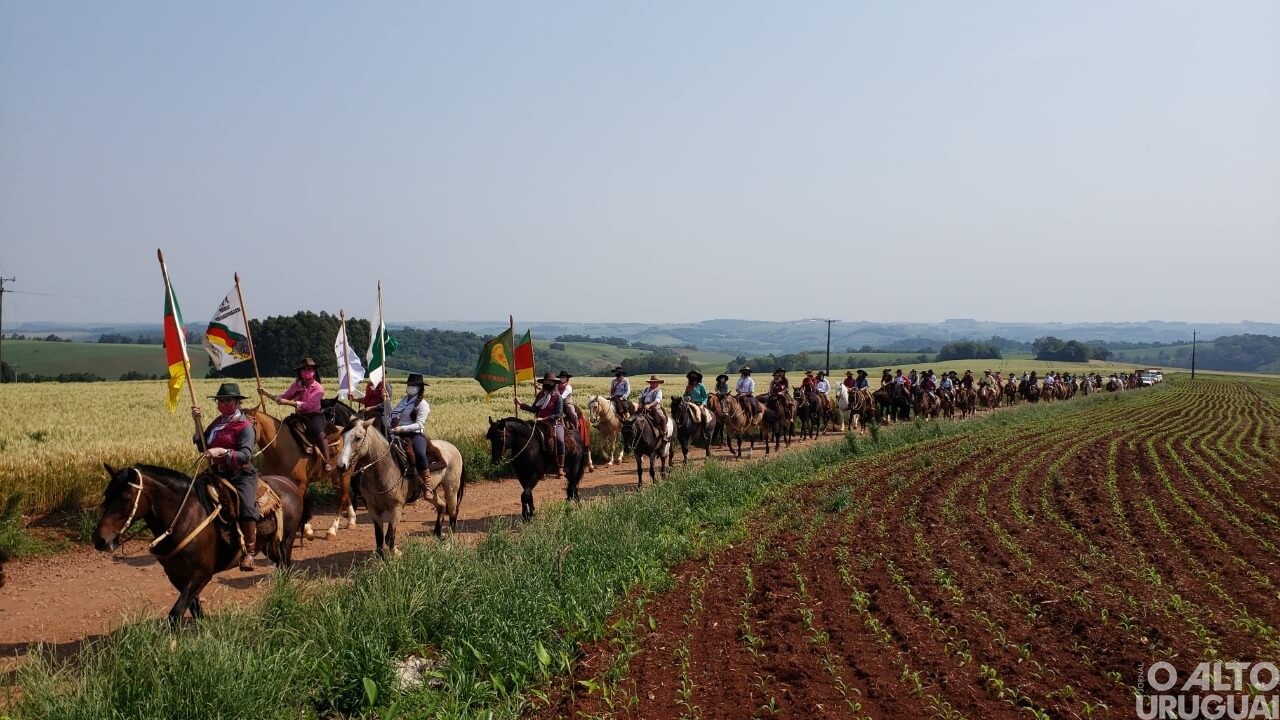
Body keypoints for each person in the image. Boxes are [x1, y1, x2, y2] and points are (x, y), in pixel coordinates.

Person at [193, 383, 259, 571]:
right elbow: (202, 446)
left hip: (240, 474)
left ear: (237, 402)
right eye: (220, 401)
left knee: (246, 505)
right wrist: (197, 423)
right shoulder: (217, 423)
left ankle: (250, 552)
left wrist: (222, 452)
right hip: (217, 473)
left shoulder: (245, 426)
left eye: (227, 400)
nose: (222, 404)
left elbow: (245, 455)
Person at [261, 357, 332, 472]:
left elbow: (308, 405)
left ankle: (327, 461)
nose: (306, 372)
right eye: (304, 369)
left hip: (313, 415)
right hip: (299, 416)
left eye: (309, 369)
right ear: (300, 372)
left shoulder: (318, 388)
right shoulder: (297, 385)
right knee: (283, 427)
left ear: (314, 371)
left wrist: (288, 402)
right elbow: (284, 397)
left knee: (317, 431)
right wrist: (267, 394)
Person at [389, 373, 445, 501]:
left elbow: (419, 424)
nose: (410, 387)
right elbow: (393, 413)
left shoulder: (423, 404)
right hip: (398, 432)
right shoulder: (404, 400)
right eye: (409, 385)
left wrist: (402, 428)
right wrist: (387, 406)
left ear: (419, 387)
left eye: (413, 385)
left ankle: (427, 486)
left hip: (415, 434)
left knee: (420, 453)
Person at [517, 373, 566, 477]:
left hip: (553, 423)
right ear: (543, 383)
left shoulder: (558, 397)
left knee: (560, 440)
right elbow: (534, 409)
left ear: (554, 383)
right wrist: (521, 404)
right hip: (539, 423)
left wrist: (544, 418)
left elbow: (558, 414)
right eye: (546, 382)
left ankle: (560, 466)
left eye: (550, 382)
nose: (548, 383)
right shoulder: (540, 395)